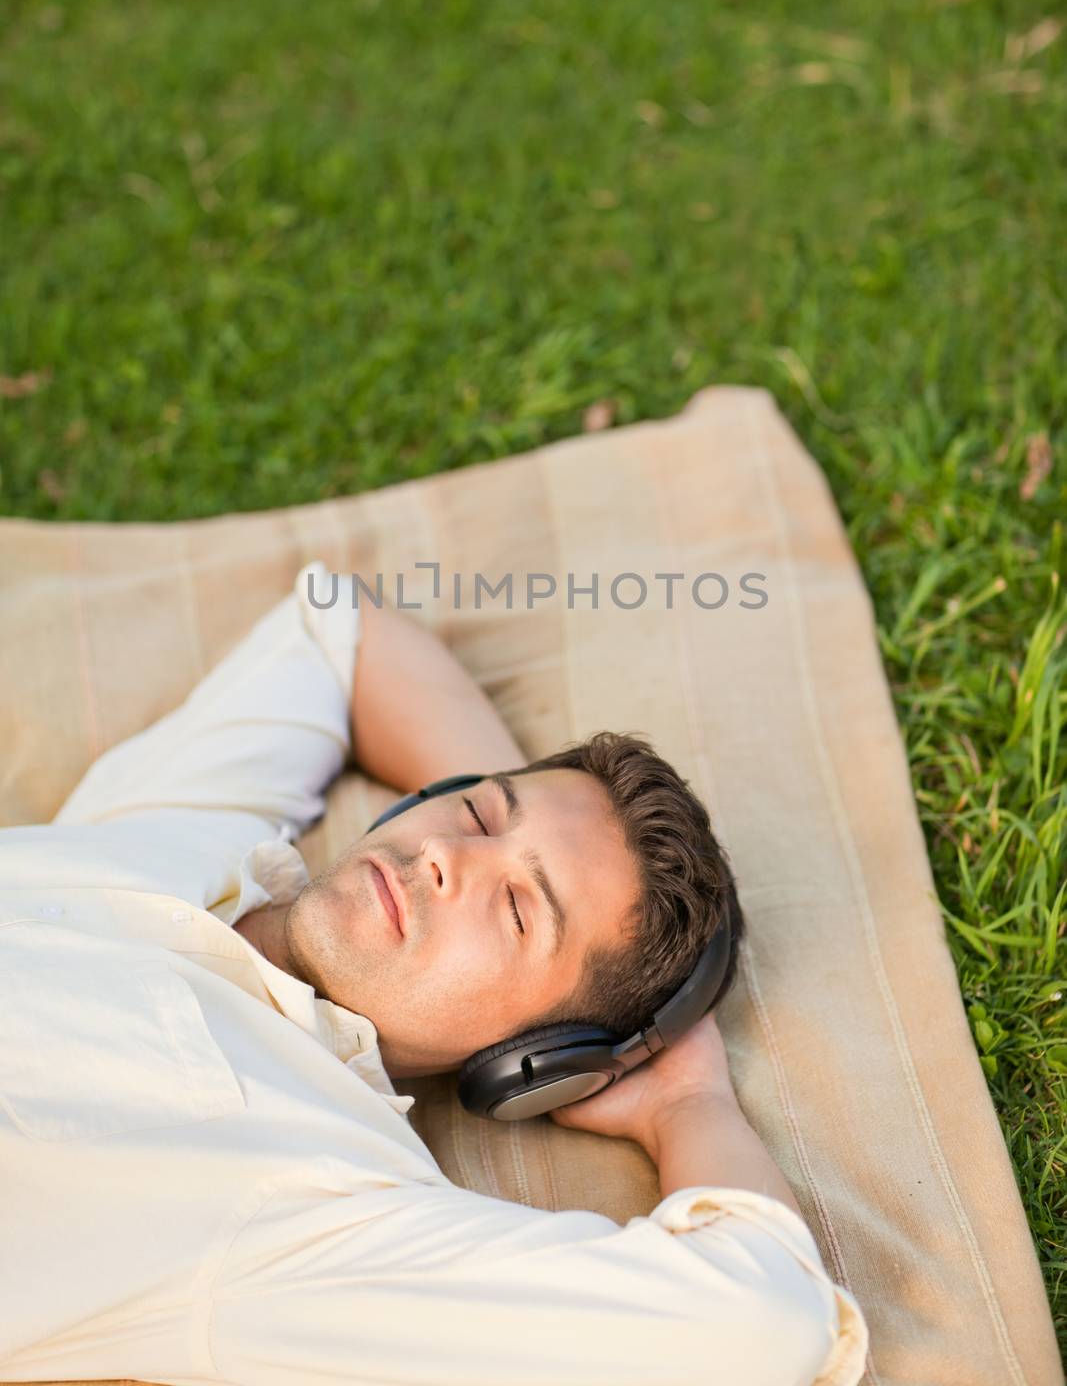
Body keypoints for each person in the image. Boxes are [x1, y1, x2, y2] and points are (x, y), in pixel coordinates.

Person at [0, 560, 868, 1385]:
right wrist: (509, 786)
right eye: (477, 812)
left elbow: (758, 1320)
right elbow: (339, 629)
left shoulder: (311, 1197)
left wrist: (687, 1105)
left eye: (517, 909)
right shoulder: (199, 833)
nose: (447, 856)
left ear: (538, 1061)